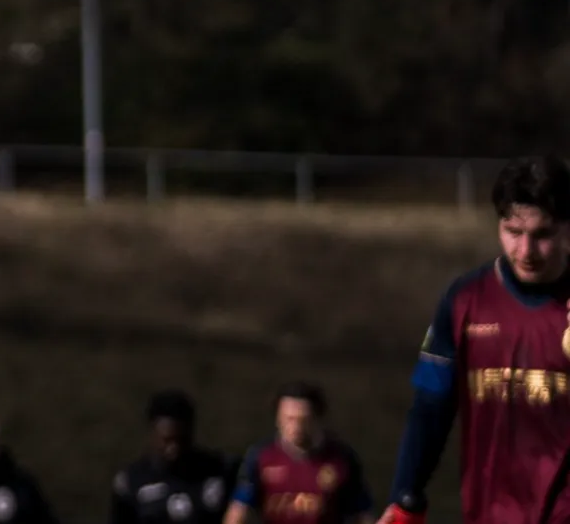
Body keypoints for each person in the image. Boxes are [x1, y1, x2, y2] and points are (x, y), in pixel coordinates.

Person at [376, 155, 570, 524]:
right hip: (488, 514)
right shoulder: (464, 300)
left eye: (542, 235)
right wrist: (404, 497)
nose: (525, 251)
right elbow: (430, 408)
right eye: (513, 232)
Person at [223, 382, 373, 524]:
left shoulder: (342, 459)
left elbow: (363, 515)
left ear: (317, 418)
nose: (295, 427)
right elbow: (238, 512)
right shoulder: (261, 456)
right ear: (277, 419)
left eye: (303, 420)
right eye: (289, 419)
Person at [110, 389, 234, 524]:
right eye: (166, 441)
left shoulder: (220, 471)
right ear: (153, 434)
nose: (174, 448)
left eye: (181, 440)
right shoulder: (131, 481)